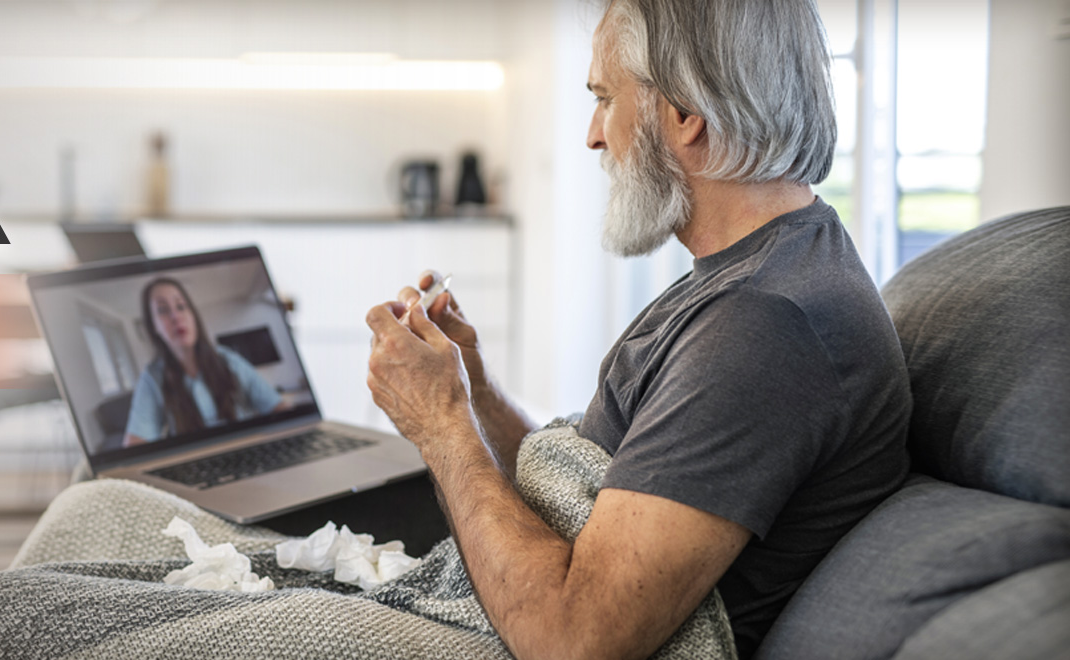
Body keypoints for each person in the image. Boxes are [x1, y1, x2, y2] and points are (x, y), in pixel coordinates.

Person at [361, 1, 912, 658]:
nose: (593, 136)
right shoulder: (753, 272)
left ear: (684, 112)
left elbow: (572, 640)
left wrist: (444, 425)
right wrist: (472, 389)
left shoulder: (765, 326)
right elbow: (588, 489)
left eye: (604, 99)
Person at [122, 277, 286, 447]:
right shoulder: (152, 377)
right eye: (163, 310)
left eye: (181, 306)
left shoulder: (228, 360)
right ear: (153, 326)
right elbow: (133, 448)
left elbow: (278, 407)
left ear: (193, 315)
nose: (175, 316)